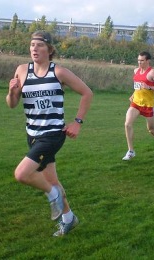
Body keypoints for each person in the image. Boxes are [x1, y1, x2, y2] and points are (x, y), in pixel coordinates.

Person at [6, 31, 93, 236]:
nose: (34, 48)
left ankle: (52, 195)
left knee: (22, 174)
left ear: (50, 50)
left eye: (39, 45)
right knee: (52, 180)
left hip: (53, 134)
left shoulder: (59, 72)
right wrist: (11, 92)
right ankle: (69, 218)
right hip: (32, 134)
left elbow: (87, 92)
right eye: (32, 45)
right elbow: (12, 104)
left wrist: (77, 122)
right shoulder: (21, 70)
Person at [122, 51, 154, 161]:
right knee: (127, 124)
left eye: (142, 60)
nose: (139, 62)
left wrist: (149, 87)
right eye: (138, 60)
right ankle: (131, 151)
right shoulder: (136, 70)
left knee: (151, 129)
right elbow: (138, 87)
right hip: (136, 103)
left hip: (148, 105)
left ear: (147, 61)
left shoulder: (153, 73)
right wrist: (133, 94)